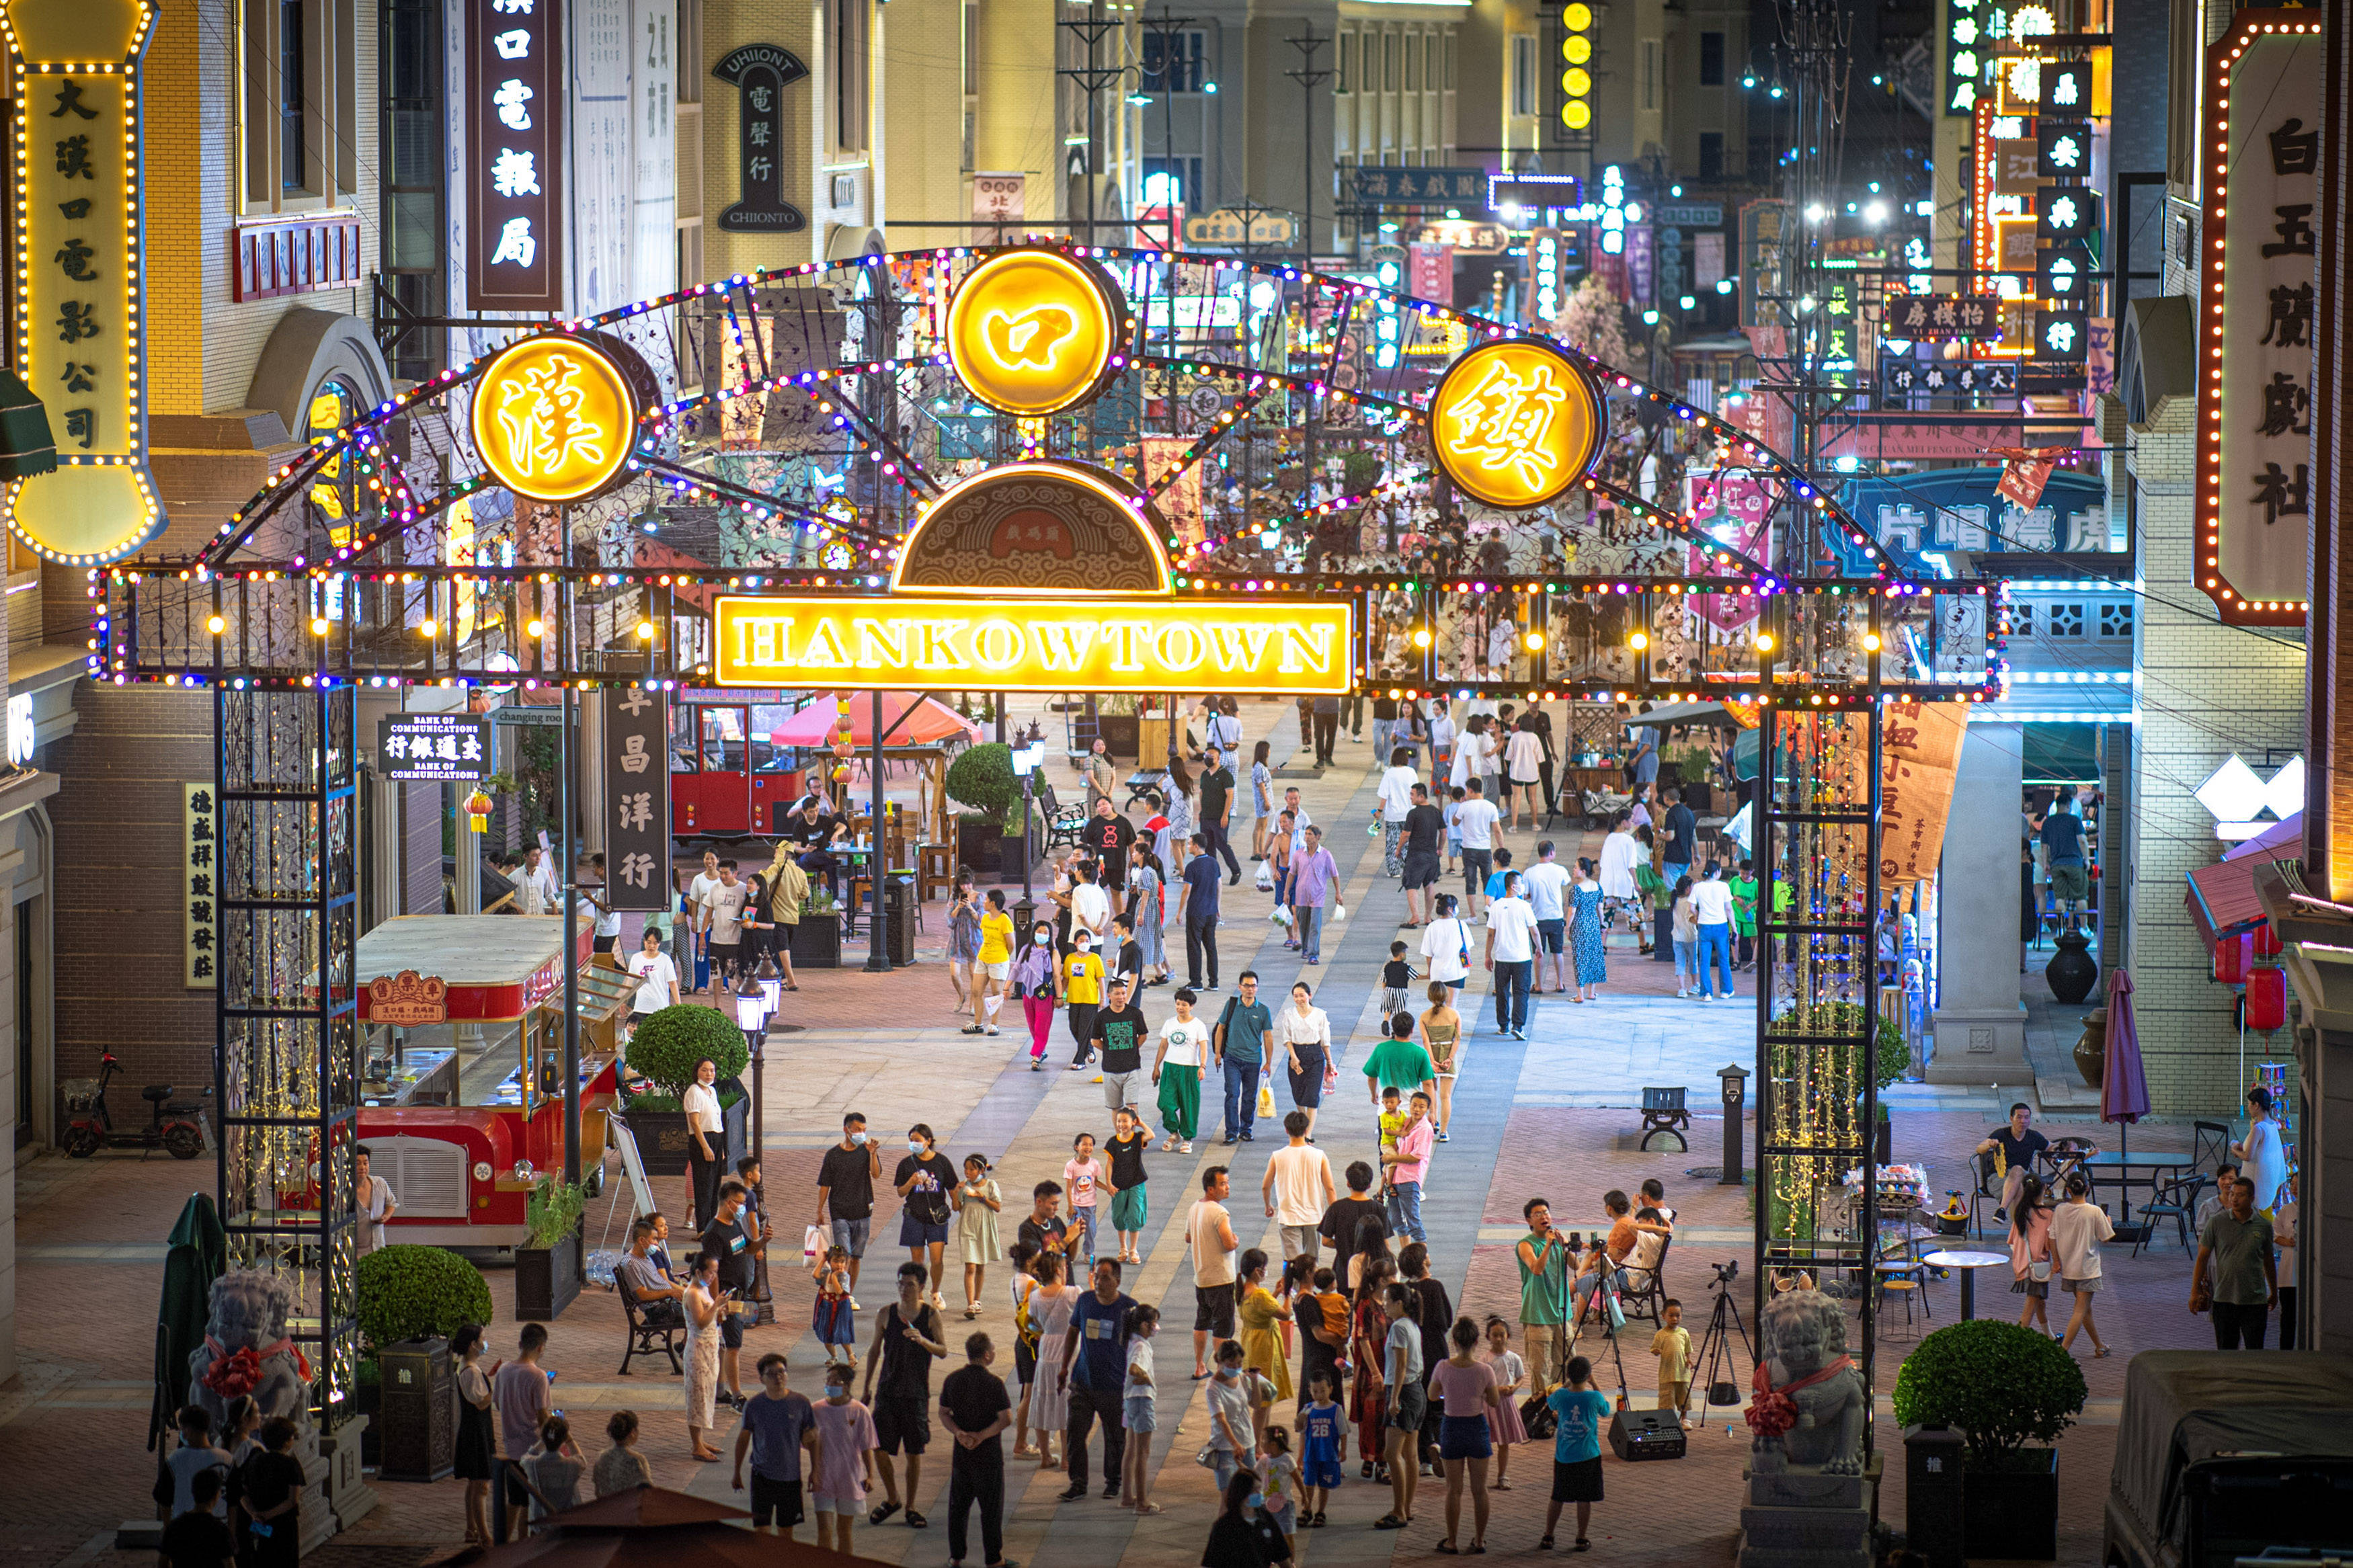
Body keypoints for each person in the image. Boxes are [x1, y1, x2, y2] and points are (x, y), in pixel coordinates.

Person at [861, 1261, 947, 1528]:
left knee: (913, 1451)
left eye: (910, 1285)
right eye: (901, 1283)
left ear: (922, 1287)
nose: (904, 1289)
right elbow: (875, 1350)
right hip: (888, 1390)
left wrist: (923, 1340)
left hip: (916, 1393)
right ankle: (893, 1498)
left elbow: (943, 1350)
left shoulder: (930, 1315)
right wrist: (866, 1386)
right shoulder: (886, 1313)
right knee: (878, 1447)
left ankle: (910, 1505)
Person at [1058, 1256, 1139, 1501]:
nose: (1099, 1282)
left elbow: (1138, 1344)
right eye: (1096, 1276)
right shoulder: (1085, 1301)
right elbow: (1073, 1331)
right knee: (1075, 1432)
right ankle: (1078, 1483)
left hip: (1113, 1386)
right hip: (1083, 1381)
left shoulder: (1129, 1308)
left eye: (1105, 1277)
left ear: (1118, 1280)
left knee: (1115, 1436)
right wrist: (1064, 1367)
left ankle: (1113, 1481)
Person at [938, 1333, 1015, 1568]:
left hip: (962, 1455)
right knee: (991, 1509)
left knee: (958, 1508)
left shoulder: (952, 1380)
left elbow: (943, 1412)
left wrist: (960, 1433)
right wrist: (981, 1436)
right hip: (989, 1456)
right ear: (987, 1355)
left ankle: (956, 1557)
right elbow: (1005, 1419)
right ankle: (994, 1559)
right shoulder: (994, 1384)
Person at [1431, 1317, 1499, 1551]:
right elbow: (1494, 1400)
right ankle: (1479, 1540)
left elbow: (1432, 1395)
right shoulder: (1484, 1370)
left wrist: (1447, 1393)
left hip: (1451, 1426)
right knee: (1480, 1490)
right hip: (1477, 1426)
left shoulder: (1443, 1367)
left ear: (1454, 1341)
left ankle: (1451, 1541)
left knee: (1454, 1489)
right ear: (1478, 1341)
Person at [2192, 1173, 2278, 1349]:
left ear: (2252, 1198)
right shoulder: (2217, 1222)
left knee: (2254, 1350)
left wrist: (2274, 1292)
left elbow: (2268, 1261)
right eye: (2232, 1194)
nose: (2234, 1199)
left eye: (2240, 1195)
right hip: (2224, 1299)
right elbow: (2202, 1258)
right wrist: (2195, 1291)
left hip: (2255, 1301)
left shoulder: (2263, 1226)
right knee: (2226, 1351)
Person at [699, 1179, 758, 1406]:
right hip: (727, 1296)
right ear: (727, 1203)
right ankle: (737, 1395)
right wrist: (717, 1304)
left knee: (728, 1343)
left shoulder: (735, 1224)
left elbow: (749, 1247)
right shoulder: (714, 1233)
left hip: (739, 1294)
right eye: (740, 1203)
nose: (743, 1207)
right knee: (734, 1345)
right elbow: (712, 1271)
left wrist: (764, 1241)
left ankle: (720, 1389)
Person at [1542, 1356, 1611, 1551]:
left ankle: (1548, 1535)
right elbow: (1606, 1410)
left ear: (1568, 1376)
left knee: (1558, 1496)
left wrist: (1566, 1384)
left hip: (1564, 1455)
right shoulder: (1593, 1397)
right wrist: (1595, 1383)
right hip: (1588, 1455)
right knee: (1584, 1498)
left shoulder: (1562, 1396)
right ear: (1588, 1376)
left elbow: (1550, 1402)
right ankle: (1581, 1537)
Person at [810, 1362, 879, 1554]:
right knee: (824, 1529)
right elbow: (812, 1444)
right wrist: (814, 1472)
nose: (830, 1384)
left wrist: (871, 1475)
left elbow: (867, 1446)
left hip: (850, 1477)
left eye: (836, 1381)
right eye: (828, 1380)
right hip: (824, 1477)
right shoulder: (816, 1410)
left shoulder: (859, 1411)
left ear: (847, 1385)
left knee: (844, 1530)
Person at [1373, 1284, 1426, 1530]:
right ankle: (1407, 1507)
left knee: (1391, 1454)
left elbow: (1401, 1366)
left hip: (1403, 1391)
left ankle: (1399, 1510)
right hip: (1416, 1391)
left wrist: (1394, 1399)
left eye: (1387, 1300)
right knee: (1410, 1454)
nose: (1384, 1304)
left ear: (1399, 1304)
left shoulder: (1398, 1328)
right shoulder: (1413, 1326)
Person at [815, 1112, 883, 1303]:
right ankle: (842, 1293)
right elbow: (825, 1185)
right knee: (844, 1256)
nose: (862, 1133)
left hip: (863, 1211)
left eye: (864, 1130)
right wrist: (819, 1210)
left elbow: (876, 1174)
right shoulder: (833, 1155)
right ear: (847, 1130)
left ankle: (849, 1294)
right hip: (840, 1212)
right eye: (858, 1130)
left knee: (856, 1256)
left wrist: (873, 1153)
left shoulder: (865, 1151)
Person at [2050, 1173, 2114, 1358]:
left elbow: (2052, 1237)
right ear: (2088, 1188)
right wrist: (2108, 1222)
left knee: (2085, 1309)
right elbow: (2107, 1237)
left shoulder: (2060, 1210)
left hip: (2068, 1269)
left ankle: (2099, 1345)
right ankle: (2064, 1351)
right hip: (2088, 1269)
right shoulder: (2094, 1211)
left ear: (2068, 1190)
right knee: (2080, 1310)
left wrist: (2056, 1261)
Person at [1024, 1253, 1078, 1467]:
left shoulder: (1036, 1296)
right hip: (1068, 1350)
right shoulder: (1073, 1293)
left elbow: (1034, 1322)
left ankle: (1045, 1454)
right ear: (1058, 1270)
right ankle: (1066, 1456)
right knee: (1066, 1403)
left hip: (1046, 1349)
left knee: (1042, 1399)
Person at [895, 1126, 957, 1311]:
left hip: (936, 1217)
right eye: (911, 1139)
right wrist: (911, 1183)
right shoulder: (906, 1164)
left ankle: (936, 1291)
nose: (914, 1143)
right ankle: (919, 1295)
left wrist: (957, 1203)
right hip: (914, 1215)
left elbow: (952, 1187)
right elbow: (901, 1192)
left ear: (928, 1141)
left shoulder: (942, 1162)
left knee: (937, 1258)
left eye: (918, 1139)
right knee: (917, 1259)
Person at [1188, 1165, 1242, 1374]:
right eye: (1222, 1184)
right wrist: (1236, 1239)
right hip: (1221, 1279)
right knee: (1222, 1327)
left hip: (1201, 1277)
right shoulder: (1220, 1212)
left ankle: (1200, 1365)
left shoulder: (1195, 1207)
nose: (1227, 1187)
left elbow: (1188, 1237)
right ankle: (1222, 1371)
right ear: (1210, 1189)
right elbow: (1229, 1243)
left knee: (1201, 1322)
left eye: (1227, 1182)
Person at [1211, 971, 1275, 1143]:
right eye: (1246, 985)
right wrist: (1218, 1053)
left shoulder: (1263, 1011)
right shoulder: (1232, 1006)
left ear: (1257, 988)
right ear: (1240, 987)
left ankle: (1246, 1129)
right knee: (1232, 1094)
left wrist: (1268, 1062)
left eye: (1253, 986)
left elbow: (1268, 1037)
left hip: (1253, 1060)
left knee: (1249, 1097)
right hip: (1232, 1058)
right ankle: (1231, 1131)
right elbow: (1221, 1029)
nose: (1250, 989)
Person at [1263, 1111, 1337, 1261]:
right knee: (1311, 1263)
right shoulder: (1319, 1155)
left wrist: (1268, 1205)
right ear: (1305, 1130)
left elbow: (1266, 1185)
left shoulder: (1277, 1156)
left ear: (1286, 1130)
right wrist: (1335, 1215)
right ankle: (1308, 1285)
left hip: (1288, 1216)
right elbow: (1330, 1188)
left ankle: (1293, 1284)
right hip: (1314, 1216)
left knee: (1292, 1264)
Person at [1516, 1199, 1572, 1391]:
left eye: (1546, 1212)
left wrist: (1565, 1246)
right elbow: (1537, 1269)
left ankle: (1560, 1407)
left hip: (1562, 1313)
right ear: (1529, 1220)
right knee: (1540, 1369)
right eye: (1538, 1214)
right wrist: (1548, 1246)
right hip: (1537, 1314)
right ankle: (1542, 1414)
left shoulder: (1557, 1241)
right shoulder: (1525, 1245)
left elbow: (1577, 1266)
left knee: (1566, 1364)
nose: (1544, 1217)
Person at [237, 1419, 305, 1568]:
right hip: (284, 1525)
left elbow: (242, 1492)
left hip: (260, 1524)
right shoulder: (290, 1464)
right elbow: (293, 1500)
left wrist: (254, 1514)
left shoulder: (255, 1460)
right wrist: (269, 1514)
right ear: (287, 1441)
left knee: (262, 1558)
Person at [1319, 1163, 1391, 1298]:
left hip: (1344, 1268)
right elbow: (1385, 1243)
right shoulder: (1378, 1209)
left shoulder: (1336, 1208)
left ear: (1348, 1183)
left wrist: (1341, 1243)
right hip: (1374, 1268)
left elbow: (1325, 1241)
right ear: (1369, 1185)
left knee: (1349, 1304)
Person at [1153, 988, 1211, 1152]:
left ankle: (1187, 1138)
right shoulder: (1169, 1023)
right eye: (1178, 1004)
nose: (1180, 1007)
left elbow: (1204, 1048)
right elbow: (1163, 1045)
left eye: (1184, 1005)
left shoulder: (1198, 1025)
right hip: (1170, 1068)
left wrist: (1203, 1066)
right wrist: (1157, 1066)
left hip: (1190, 1070)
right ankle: (1173, 1132)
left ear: (1191, 1006)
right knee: (1165, 1103)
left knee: (1189, 1104)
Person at [450, 1325, 495, 1541]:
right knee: (481, 1484)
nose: (485, 1342)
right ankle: (486, 1535)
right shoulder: (472, 1372)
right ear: (473, 1345)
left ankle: (471, 1528)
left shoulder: (464, 1367)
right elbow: (481, 1403)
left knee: (473, 1482)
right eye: (482, 1338)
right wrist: (494, 1392)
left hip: (471, 1430)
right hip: (477, 1431)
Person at [1235, 1248, 1295, 1405]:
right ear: (1257, 1271)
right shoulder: (1259, 1294)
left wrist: (1275, 1292)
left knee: (1261, 1398)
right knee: (1264, 1398)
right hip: (1264, 1346)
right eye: (1265, 1267)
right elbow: (1285, 1314)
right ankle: (1260, 1431)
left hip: (1251, 1343)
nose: (1266, 1270)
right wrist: (1288, 1294)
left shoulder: (1242, 1290)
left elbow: (1263, 1310)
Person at [682, 1251, 727, 1460]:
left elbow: (709, 1316)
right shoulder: (692, 1293)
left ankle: (700, 1440)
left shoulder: (704, 1289)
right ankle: (695, 1444)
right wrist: (717, 1305)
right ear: (699, 1271)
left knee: (707, 1393)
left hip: (710, 1348)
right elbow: (700, 1321)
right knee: (697, 1396)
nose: (713, 1277)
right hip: (698, 1350)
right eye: (711, 1272)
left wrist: (720, 1310)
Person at [1484, 871, 1538, 1038]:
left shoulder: (1496, 906)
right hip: (1522, 957)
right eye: (1521, 883)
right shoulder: (1524, 906)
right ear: (1514, 886)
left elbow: (1491, 934)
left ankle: (1503, 1025)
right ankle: (1518, 1025)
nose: (1523, 886)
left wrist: (1488, 955)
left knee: (1502, 991)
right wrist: (1540, 948)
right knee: (1521, 992)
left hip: (1502, 957)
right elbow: (1534, 931)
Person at [1121, 1303, 1164, 1516]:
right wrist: (1145, 1377)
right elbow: (1134, 1368)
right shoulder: (1141, 1346)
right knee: (1143, 1452)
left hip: (1130, 1400)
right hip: (1142, 1401)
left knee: (1131, 1449)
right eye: (1154, 1323)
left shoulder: (1133, 1342)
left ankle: (1127, 1497)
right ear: (1144, 1325)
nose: (1156, 1327)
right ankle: (1142, 1502)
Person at [1275, 981, 1333, 1137]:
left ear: (1309, 995)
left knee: (1313, 1097)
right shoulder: (1289, 1014)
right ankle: (1301, 1126)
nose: (1299, 999)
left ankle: (1308, 1135)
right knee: (1299, 1095)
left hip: (1315, 1056)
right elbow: (1287, 1038)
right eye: (1296, 996)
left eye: (1302, 995)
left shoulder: (1320, 1014)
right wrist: (1293, 1058)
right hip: (1296, 1054)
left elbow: (1325, 1042)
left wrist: (1330, 1062)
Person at [1976, 1102, 2049, 1221]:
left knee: (2021, 1174)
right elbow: (1979, 1149)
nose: (2023, 1121)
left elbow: (2051, 1148)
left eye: (2026, 1118)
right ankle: (2021, 1231)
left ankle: (2002, 1211)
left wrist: (2069, 1148)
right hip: (1998, 1178)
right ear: (2011, 1118)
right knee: (2018, 1184)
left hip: (2023, 1177)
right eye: (2019, 1117)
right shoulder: (2001, 1134)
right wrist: (1989, 1144)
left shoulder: (2034, 1136)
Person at [1480, 1317, 1528, 1489]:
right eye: (1495, 1335)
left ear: (1508, 1335)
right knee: (1484, 1441)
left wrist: (1515, 1387)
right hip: (1490, 1404)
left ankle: (1502, 1475)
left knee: (1504, 1443)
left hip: (1507, 1403)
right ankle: (1482, 1475)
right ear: (1488, 1337)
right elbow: (1483, 1384)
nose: (1499, 1339)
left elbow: (1521, 1376)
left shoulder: (1514, 1358)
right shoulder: (1485, 1360)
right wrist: (1499, 1389)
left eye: (1502, 1335)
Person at [1382, 1091, 1436, 1244]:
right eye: (1414, 1105)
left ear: (1427, 1109)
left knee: (1413, 1221)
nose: (1417, 1109)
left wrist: (1392, 1158)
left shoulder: (1424, 1129)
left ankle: (1422, 1259)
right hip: (1396, 1178)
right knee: (1396, 1220)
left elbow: (1416, 1157)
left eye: (1421, 1107)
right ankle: (1407, 1255)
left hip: (1409, 1179)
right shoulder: (1406, 1122)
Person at [1091, 977, 1151, 1113]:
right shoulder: (1101, 1017)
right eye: (1117, 994)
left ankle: (1132, 1134)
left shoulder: (1135, 1014)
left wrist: (1133, 1048)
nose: (1121, 997)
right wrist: (1109, 1050)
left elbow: (1143, 1036)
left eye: (1123, 993)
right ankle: (1119, 1134)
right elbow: (1095, 1041)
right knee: (1116, 1109)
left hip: (1132, 1068)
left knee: (1132, 1106)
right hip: (1111, 1069)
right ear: (1109, 996)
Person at [163, 1404, 233, 1520]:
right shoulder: (226, 1458)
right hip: (219, 1525)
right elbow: (234, 1501)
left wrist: (167, 1529)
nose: (182, 1432)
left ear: (188, 1430)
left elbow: (164, 1498)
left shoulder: (175, 1459)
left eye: (182, 1428)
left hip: (184, 1527)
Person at [1205, 1337, 1257, 1493]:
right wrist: (1235, 1444)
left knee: (1253, 1491)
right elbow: (1221, 1419)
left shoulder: (1241, 1377)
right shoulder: (1213, 1388)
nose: (1236, 1367)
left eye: (1239, 1363)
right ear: (1220, 1361)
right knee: (1229, 1496)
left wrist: (1254, 1381)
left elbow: (1255, 1404)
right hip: (1225, 1447)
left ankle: (1253, 1517)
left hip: (1247, 1441)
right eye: (1231, 1363)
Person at [956, 1154, 1004, 1319]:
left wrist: (981, 1197)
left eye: (972, 1169)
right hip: (968, 1226)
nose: (968, 1172)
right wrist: (957, 1191)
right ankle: (970, 1303)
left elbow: (997, 1207)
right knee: (970, 1266)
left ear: (981, 1170)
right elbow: (957, 1207)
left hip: (984, 1227)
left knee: (981, 1265)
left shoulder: (991, 1185)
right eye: (966, 1169)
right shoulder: (964, 1186)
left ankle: (977, 1300)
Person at [2007, 1172, 2057, 1333]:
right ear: (2042, 1190)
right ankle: (2018, 1343)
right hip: (2037, 1266)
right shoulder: (2047, 1214)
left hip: (2022, 1265)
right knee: (2029, 1311)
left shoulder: (2021, 1212)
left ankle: (2049, 1336)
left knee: (2039, 1304)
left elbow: (2012, 1242)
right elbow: (2050, 1243)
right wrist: (2057, 1261)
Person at [1362, 1010, 1438, 1113]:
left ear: (1394, 1029)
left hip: (1386, 1111)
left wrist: (1373, 1094)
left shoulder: (1381, 1049)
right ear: (1412, 1030)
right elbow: (1428, 1083)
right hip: (1412, 1110)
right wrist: (1432, 1112)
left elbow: (1371, 1077)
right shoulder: (1420, 1053)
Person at [1103, 1106, 1152, 1264]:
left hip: (1136, 1183)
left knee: (1135, 1215)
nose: (1121, 1124)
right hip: (1119, 1184)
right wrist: (1109, 1183)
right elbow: (1109, 1164)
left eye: (1125, 1121)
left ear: (1132, 1122)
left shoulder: (1138, 1139)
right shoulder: (1113, 1142)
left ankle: (1133, 1249)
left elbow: (1151, 1135)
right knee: (1118, 1216)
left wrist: (1141, 1123)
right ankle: (1123, 1248)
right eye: (1119, 1121)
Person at [1175, 831, 1223, 992]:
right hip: (1210, 912)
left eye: (1189, 844)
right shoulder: (1214, 863)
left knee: (1194, 946)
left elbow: (1186, 891)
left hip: (1196, 912)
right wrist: (1217, 908)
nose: (1188, 846)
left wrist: (1180, 912)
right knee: (1211, 947)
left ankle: (1196, 982)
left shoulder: (1192, 866)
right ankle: (1214, 982)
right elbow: (1219, 885)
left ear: (1196, 846)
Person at [160, 1469, 235, 1568]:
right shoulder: (220, 1530)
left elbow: (163, 1563)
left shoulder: (174, 1527)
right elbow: (230, 1565)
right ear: (217, 1495)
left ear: (193, 1492)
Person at [682, 1055, 725, 1228]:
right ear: (697, 1072)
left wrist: (719, 1148)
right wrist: (706, 1147)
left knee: (715, 1185)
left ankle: (712, 1223)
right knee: (704, 1186)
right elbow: (695, 1123)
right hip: (702, 1140)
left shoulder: (712, 1091)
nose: (709, 1074)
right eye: (705, 1070)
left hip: (716, 1138)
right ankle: (702, 1228)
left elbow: (716, 1119)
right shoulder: (694, 1092)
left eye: (712, 1071)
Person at [1300, 1370, 1347, 1526]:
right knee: (1308, 1484)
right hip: (1311, 1455)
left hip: (1328, 1455)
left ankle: (1321, 1511)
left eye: (1322, 1391)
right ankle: (1307, 1509)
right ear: (1310, 1391)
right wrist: (1301, 1456)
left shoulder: (1336, 1409)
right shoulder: (1308, 1409)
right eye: (1315, 1391)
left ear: (1331, 1389)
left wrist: (1343, 1450)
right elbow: (1301, 1432)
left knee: (1324, 1486)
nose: (1319, 1394)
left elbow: (1343, 1431)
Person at [2233, 1084, 2290, 1212]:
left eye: (2249, 1104)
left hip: (2257, 1182)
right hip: (2266, 1181)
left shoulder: (2259, 1129)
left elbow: (2248, 1156)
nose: (2248, 1108)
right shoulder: (2272, 1125)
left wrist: (2235, 1151)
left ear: (2257, 1105)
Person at [1012, 921, 1060, 1069]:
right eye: (1040, 931)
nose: (1042, 935)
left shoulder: (1053, 952)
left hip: (1045, 994)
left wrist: (1059, 997)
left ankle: (1036, 1056)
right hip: (1028, 992)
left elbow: (1057, 975)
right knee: (1033, 1025)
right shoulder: (1026, 949)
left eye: (1046, 933)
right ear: (1034, 933)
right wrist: (1007, 987)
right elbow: (1017, 967)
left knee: (1041, 1026)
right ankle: (1041, 1050)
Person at [969, 889, 1016, 1036]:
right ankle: (977, 1023)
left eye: (986, 900)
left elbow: (1011, 944)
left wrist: (1003, 956)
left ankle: (994, 1024)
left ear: (993, 903)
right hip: (983, 958)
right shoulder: (985, 918)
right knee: (977, 991)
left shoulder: (1005, 920)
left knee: (996, 993)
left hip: (999, 960)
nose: (984, 902)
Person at [1060, 927, 1107, 1068]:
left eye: (1087, 941)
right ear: (1075, 943)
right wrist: (1059, 996)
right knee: (1074, 1027)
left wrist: (1103, 999)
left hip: (1090, 999)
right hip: (1074, 999)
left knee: (1085, 1029)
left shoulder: (1095, 959)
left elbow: (1101, 980)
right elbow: (1065, 980)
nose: (1084, 943)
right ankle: (1089, 1049)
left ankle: (1079, 1061)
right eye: (1081, 941)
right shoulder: (1070, 958)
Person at [1203, 1465, 1267, 1568]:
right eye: (1255, 1490)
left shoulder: (1266, 1520)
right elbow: (1211, 1562)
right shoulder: (1224, 1527)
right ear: (1243, 1493)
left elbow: (1282, 1555)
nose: (1259, 1493)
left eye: (1260, 1489)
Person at [1690, 861, 1736, 1002]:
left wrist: (1698, 916)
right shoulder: (1724, 886)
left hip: (1704, 926)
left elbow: (1691, 908)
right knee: (1724, 959)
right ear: (1717, 872)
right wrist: (1734, 928)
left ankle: (1706, 993)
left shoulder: (1697, 887)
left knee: (1704, 961)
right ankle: (1726, 991)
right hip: (1721, 926)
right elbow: (1728, 909)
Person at [1455, 780, 1501, 915]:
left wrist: (1460, 805)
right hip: (1485, 849)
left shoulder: (1465, 806)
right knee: (1488, 879)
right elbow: (1497, 830)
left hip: (1469, 849)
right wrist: (1501, 848)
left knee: (1471, 882)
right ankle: (1488, 907)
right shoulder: (1491, 806)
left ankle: (1473, 915)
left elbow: (1454, 822)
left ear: (1470, 790)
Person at [1650, 1299, 1693, 1430]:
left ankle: (1684, 1418)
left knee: (1683, 1396)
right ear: (1663, 1315)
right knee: (1667, 1398)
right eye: (1671, 1316)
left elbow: (1688, 1349)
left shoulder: (1684, 1333)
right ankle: (1668, 1420)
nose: (1675, 1319)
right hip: (1667, 1372)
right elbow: (1654, 1349)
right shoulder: (1660, 1334)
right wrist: (1656, 1351)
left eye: (1678, 1316)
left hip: (1682, 1372)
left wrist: (1689, 1359)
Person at [626, 925, 682, 1024]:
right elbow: (630, 982)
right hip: (641, 1007)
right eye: (649, 942)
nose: (652, 946)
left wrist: (678, 1005)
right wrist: (624, 1001)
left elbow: (672, 983)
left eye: (655, 943)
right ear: (644, 941)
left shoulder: (665, 960)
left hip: (660, 1008)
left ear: (660, 943)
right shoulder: (636, 958)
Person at [1062, 1132, 1104, 1264]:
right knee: (1074, 1230)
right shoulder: (1071, 1165)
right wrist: (1070, 1206)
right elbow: (1069, 1187)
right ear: (1077, 1147)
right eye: (1085, 1144)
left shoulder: (1095, 1164)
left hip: (1090, 1205)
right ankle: (1069, 1255)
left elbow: (1096, 1181)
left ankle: (1088, 1252)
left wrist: (1109, 1188)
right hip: (1076, 1204)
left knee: (1091, 1230)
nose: (1088, 1148)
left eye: (1091, 1145)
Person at [813, 1245, 858, 1366]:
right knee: (826, 1335)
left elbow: (839, 1291)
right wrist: (823, 1260)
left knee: (842, 1333)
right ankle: (834, 1356)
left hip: (841, 1308)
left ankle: (851, 1355)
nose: (839, 1265)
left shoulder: (844, 1276)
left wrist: (834, 1277)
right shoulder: (826, 1272)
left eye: (842, 1262)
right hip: (826, 1306)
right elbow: (815, 1275)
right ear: (830, 1261)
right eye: (836, 1261)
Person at [1421, 893, 1473, 995]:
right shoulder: (1461, 925)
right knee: (1451, 1007)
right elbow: (1468, 950)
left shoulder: (1432, 927)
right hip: (1456, 972)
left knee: (1437, 1006)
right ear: (1450, 909)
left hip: (1437, 973)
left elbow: (1428, 955)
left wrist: (1430, 971)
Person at [947, 880, 984, 1020]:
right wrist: (958, 907)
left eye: (968, 883)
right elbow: (950, 919)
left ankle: (973, 1004)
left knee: (974, 974)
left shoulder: (980, 897)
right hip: (957, 938)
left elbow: (981, 919)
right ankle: (962, 995)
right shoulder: (954, 897)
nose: (966, 887)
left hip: (974, 939)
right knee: (954, 974)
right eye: (963, 884)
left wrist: (970, 908)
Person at [594, 1410, 653, 1497]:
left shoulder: (602, 1458)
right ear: (633, 1432)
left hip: (607, 1508)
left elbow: (598, 1492)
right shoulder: (637, 1460)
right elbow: (647, 1492)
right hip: (628, 1509)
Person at [2276, 1168, 2301, 1348]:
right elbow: (2275, 1235)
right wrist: (2289, 1242)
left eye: (2298, 1185)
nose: (2294, 1188)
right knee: (2288, 1315)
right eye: (2292, 1185)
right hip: (2288, 1273)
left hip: (2303, 1272)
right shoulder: (2286, 1210)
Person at [1504, 720, 1545, 831]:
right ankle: (1535, 824)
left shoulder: (1515, 737)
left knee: (1516, 798)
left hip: (1517, 772)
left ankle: (1514, 825)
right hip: (1531, 771)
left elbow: (1508, 756)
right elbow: (1539, 757)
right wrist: (1537, 773)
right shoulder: (1535, 737)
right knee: (1533, 798)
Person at [1659, 788, 1697, 886]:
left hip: (1673, 857)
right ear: (1679, 797)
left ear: (1666, 799)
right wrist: (1697, 853)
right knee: (1681, 887)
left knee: (1672, 889)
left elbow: (1670, 837)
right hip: (1686, 857)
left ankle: (1674, 902)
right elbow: (1694, 835)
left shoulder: (1671, 814)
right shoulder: (1689, 812)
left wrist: (1660, 836)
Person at [1670, 875, 1700, 997]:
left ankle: (1682, 988)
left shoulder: (1675, 900)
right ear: (1688, 889)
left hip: (1677, 937)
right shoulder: (1689, 903)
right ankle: (1694, 985)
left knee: (1680, 962)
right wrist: (1699, 916)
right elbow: (1692, 919)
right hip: (1690, 937)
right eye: (1692, 886)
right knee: (1693, 962)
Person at [1248, 740, 1277, 862]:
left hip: (1266, 799)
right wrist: (1266, 801)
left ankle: (1261, 850)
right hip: (1262, 800)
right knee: (1259, 826)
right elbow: (1261, 786)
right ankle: (1256, 851)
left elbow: (1264, 780)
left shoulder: (1260, 766)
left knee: (1263, 826)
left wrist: (1273, 772)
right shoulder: (1259, 767)